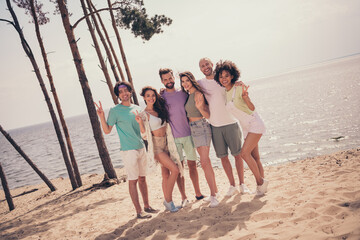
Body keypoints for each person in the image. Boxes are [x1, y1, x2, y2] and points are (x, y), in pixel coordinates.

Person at [198, 57, 268, 196]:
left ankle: (258, 183)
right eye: (202, 65)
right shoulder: (209, 86)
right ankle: (259, 186)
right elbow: (187, 86)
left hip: (249, 124)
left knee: (243, 154)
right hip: (241, 126)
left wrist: (246, 96)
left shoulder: (235, 87)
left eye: (207, 64)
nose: (224, 78)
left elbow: (251, 107)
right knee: (254, 157)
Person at [94, 81, 158, 219]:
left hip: (141, 147)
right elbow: (107, 130)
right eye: (120, 91)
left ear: (130, 92)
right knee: (133, 180)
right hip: (128, 151)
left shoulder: (137, 109)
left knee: (142, 178)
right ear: (118, 95)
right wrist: (101, 117)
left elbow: (143, 132)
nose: (124, 93)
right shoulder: (115, 111)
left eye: (126, 90)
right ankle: (139, 211)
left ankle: (147, 206)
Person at [133, 86, 184, 212]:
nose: (151, 98)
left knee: (166, 175)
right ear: (144, 98)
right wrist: (140, 123)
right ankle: (168, 201)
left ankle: (169, 203)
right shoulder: (143, 114)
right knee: (175, 170)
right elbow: (144, 135)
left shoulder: (159, 110)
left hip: (167, 144)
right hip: (157, 147)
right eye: (148, 96)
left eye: (153, 95)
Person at [159, 68, 204, 206]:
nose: (168, 81)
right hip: (173, 139)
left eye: (170, 78)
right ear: (162, 81)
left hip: (189, 135)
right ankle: (184, 197)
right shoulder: (161, 98)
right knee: (179, 168)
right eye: (165, 79)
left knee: (192, 166)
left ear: (173, 77)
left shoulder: (183, 93)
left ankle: (198, 193)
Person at [180, 71, 219, 207]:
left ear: (192, 80)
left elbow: (207, 115)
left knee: (204, 162)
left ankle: (213, 195)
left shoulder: (198, 94)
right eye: (183, 81)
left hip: (201, 127)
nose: (185, 83)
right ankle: (216, 192)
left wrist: (200, 107)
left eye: (187, 80)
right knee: (205, 161)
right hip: (192, 129)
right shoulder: (188, 95)